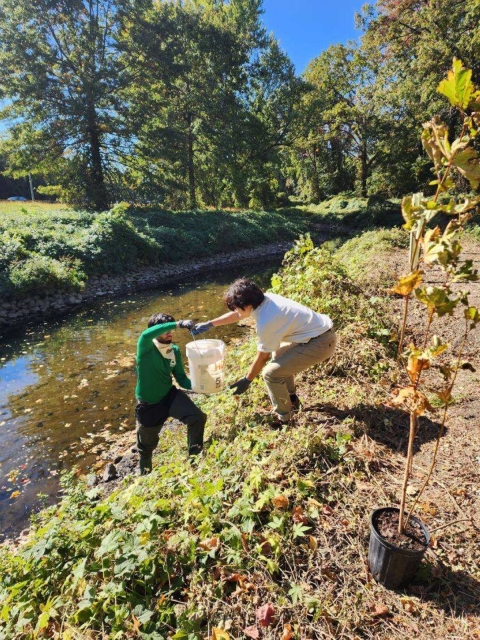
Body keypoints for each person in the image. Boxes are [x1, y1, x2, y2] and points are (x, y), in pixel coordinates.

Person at [192, 278, 336, 427]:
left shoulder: (267, 321)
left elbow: (262, 357)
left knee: (270, 374)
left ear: (247, 306)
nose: (235, 311)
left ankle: (285, 420)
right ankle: (291, 399)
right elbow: (238, 315)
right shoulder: (265, 299)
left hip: (321, 343)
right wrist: (210, 324)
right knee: (278, 354)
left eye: (236, 307)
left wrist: (247, 380)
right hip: (318, 334)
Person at [135, 313, 206, 474]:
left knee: (197, 418)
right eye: (166, 329)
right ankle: (146, 476)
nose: (170, 332)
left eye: (171, 328)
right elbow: (146, 334)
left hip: (170, 396)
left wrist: (200, 387)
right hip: (149, 404)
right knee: (146, 447)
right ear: (155, 331)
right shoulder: (145, 347)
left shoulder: (174, 350)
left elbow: (181, 378)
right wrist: (179, 323)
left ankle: (195, 459)